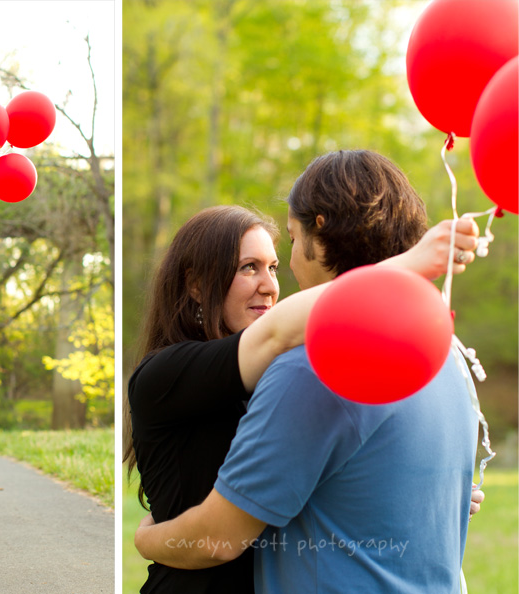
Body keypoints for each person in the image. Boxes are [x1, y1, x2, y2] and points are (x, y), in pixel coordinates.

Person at [133, 150, 483, 592]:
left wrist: (149, 537)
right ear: (197, 284)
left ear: (319, 233)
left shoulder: (314, 366)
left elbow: (224, 535)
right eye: (248, 267)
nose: (274, 282)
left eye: (283, 253)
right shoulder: (444, 352)